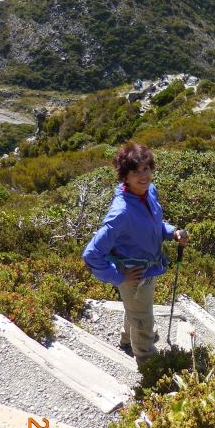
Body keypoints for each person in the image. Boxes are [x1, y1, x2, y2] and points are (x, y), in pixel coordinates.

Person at [83, 142, 187, 367]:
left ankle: (126, 338)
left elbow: (153, 224)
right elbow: (91, 254)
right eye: (136, 171)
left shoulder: (149, 192)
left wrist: (172, 232)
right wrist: (120, 277)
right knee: (143, 319)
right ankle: (147, 363)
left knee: (137, 309)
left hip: (148, 267)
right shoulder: (121, 213)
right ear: (125, 177)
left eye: (146, 169)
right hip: (133, 275)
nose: (143, 175)